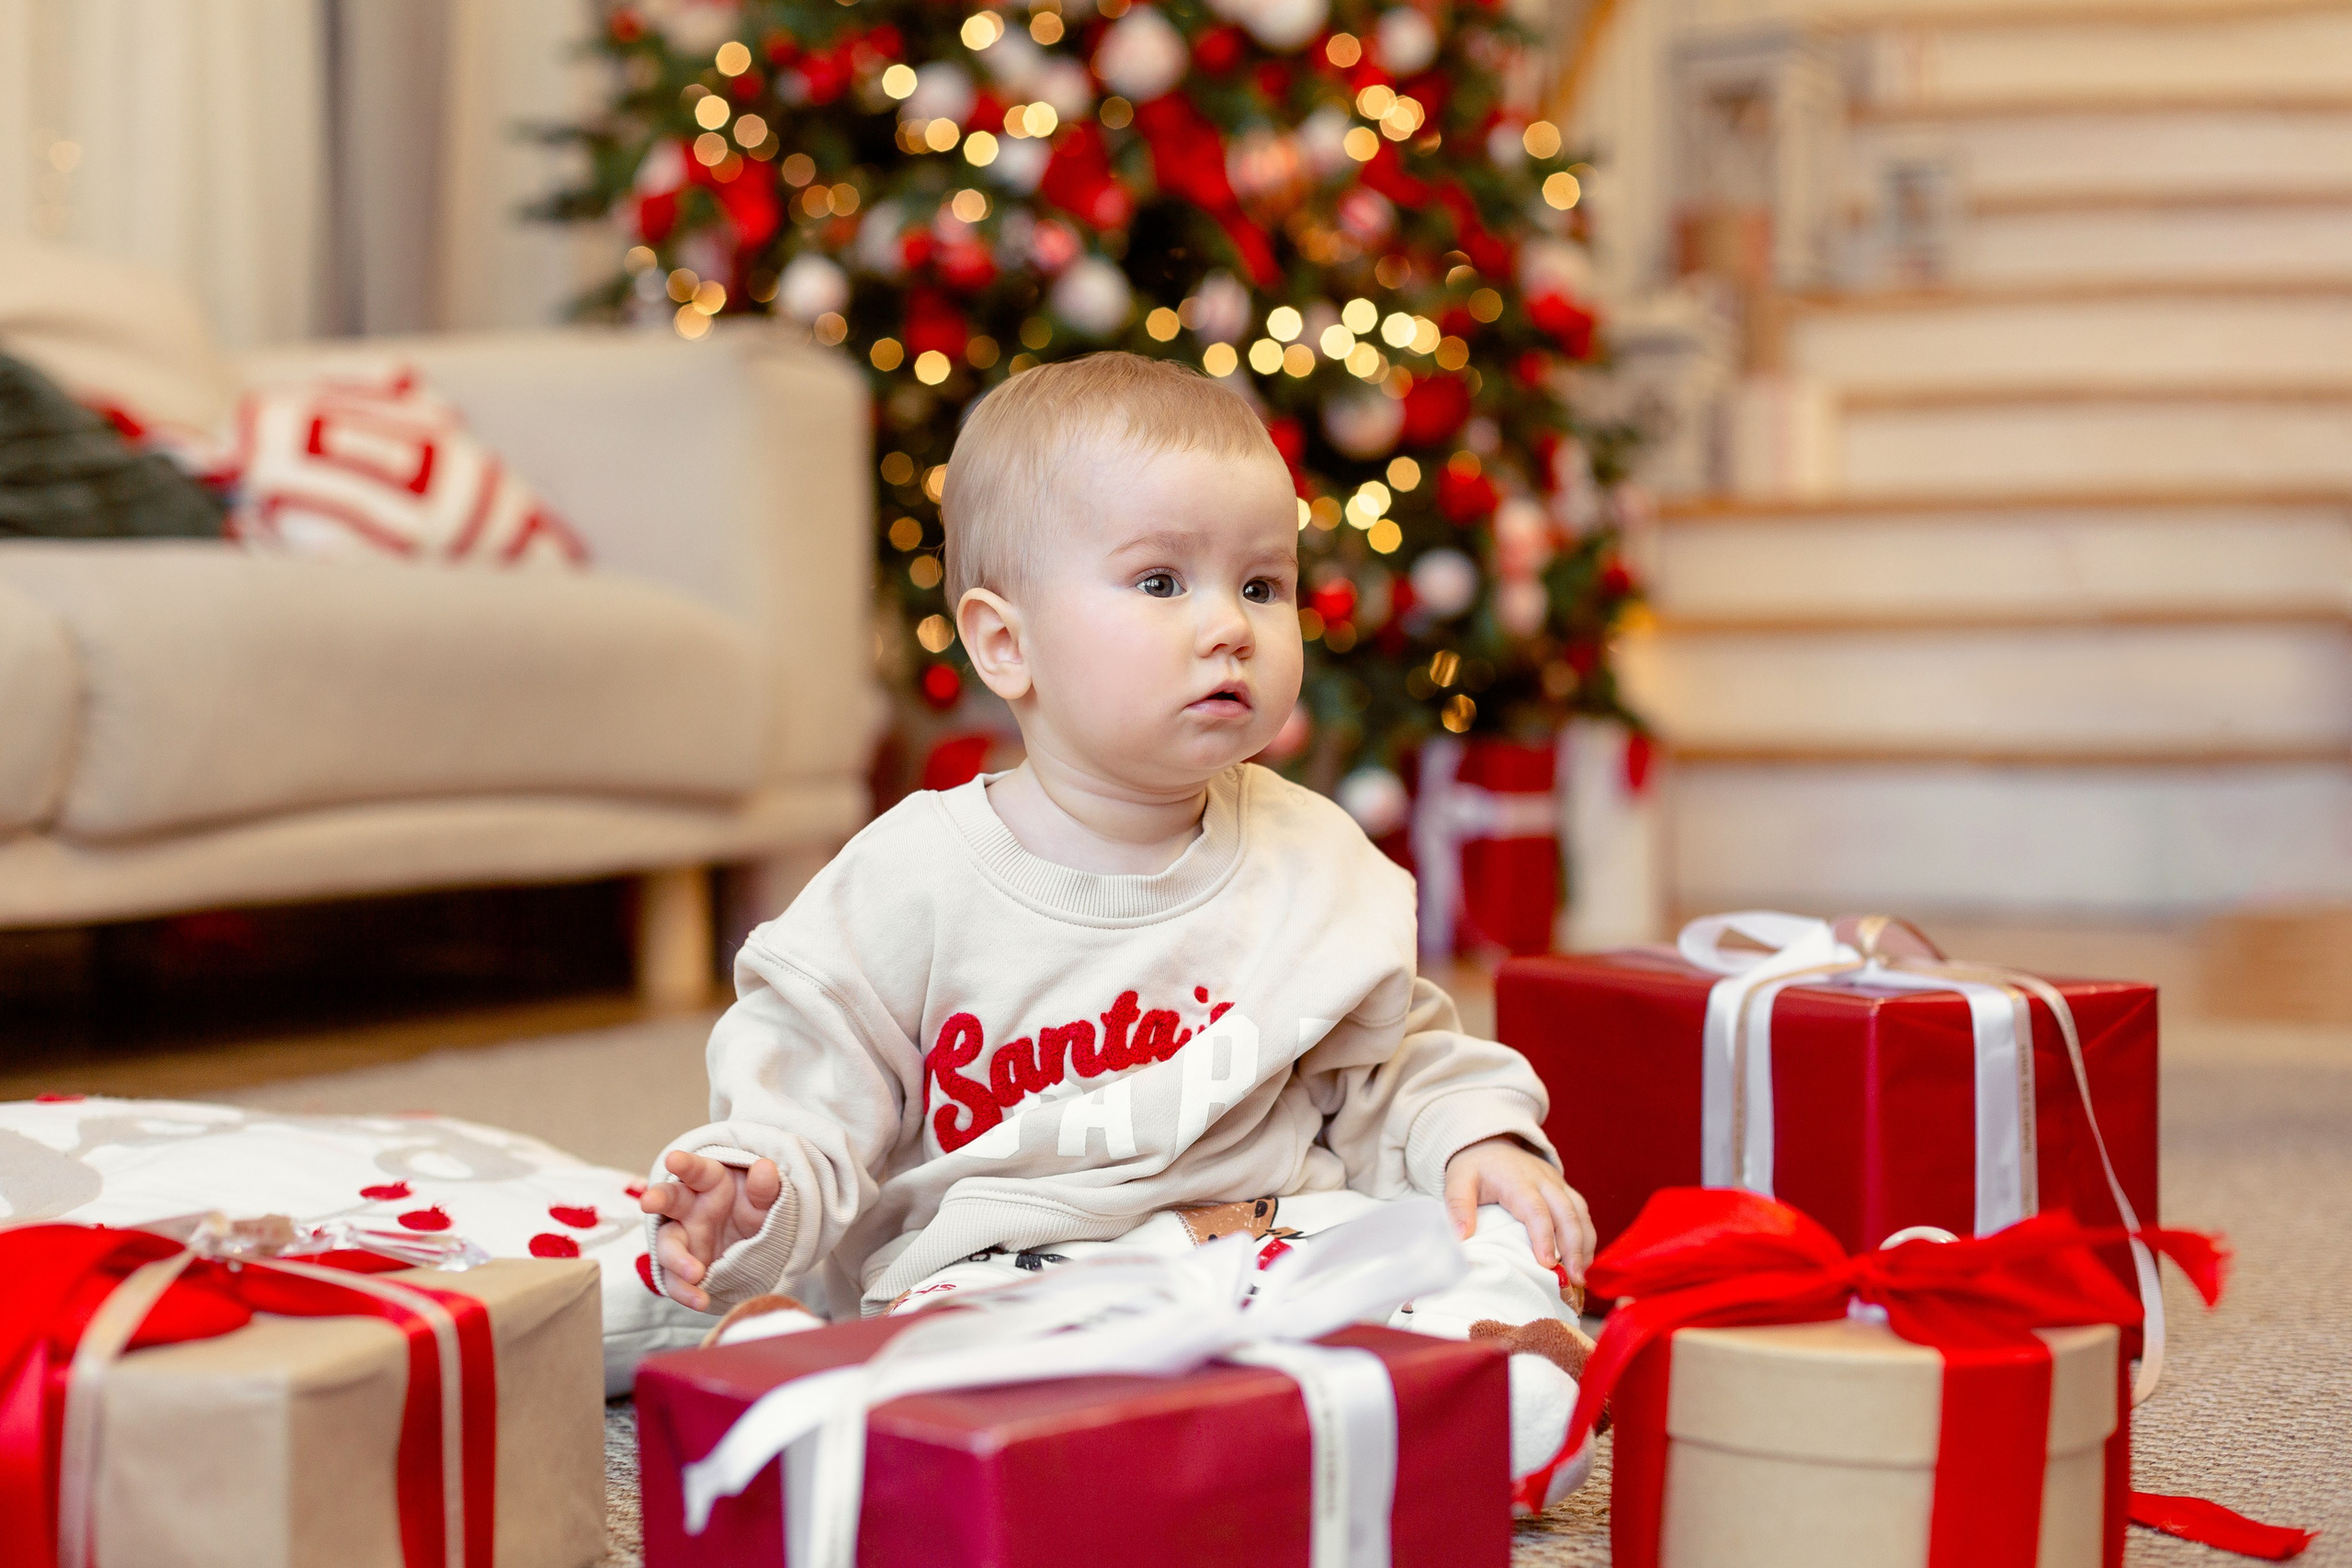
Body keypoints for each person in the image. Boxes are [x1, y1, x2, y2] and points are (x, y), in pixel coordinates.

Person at [640, 353, 1595, 1506]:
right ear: (1006, 645)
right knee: (966, 1349)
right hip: (1016, 1272)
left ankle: (1479, 1388)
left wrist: (1473, 1140)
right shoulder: (909, 879)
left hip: (1276, 1241)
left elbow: (1393, 1061)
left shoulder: (1310, 855)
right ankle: (852, 1389)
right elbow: (810, 1085)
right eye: (1159, 582)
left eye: (1262, 585)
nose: (1228, 627)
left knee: (1463, 1237)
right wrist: (758, 1180)